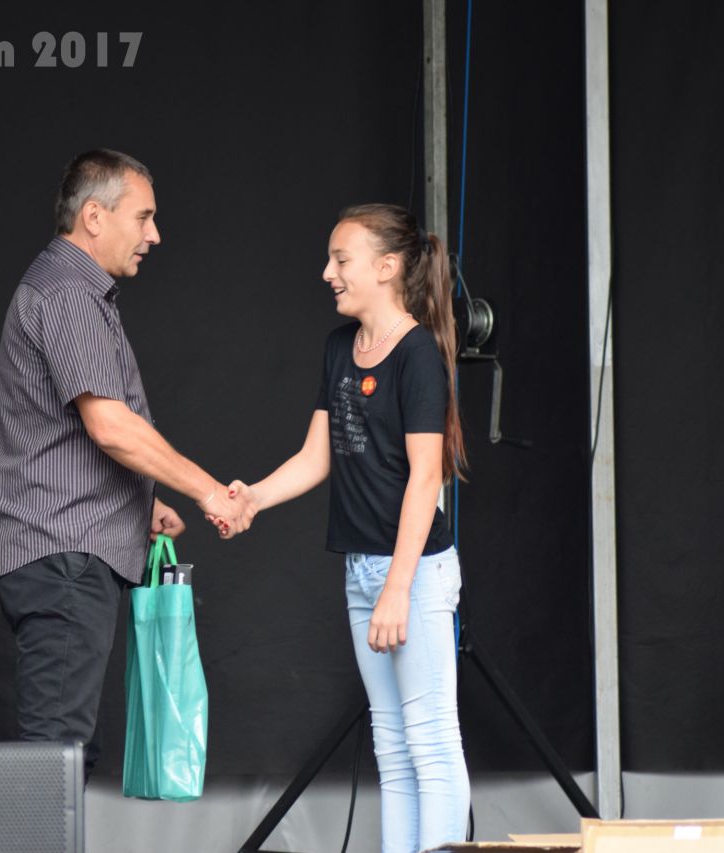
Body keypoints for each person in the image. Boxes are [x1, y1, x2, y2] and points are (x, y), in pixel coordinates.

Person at [0, 149, 252, 773]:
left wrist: (139, 503)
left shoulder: (73, 290)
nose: (154, 235)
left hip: (62, 552)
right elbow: (109, 425)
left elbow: (59, 431)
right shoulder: (68, 294)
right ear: (95, 216)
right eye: (144, 217)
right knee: (56, 759)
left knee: (66, 753)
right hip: (64, 557)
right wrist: (208, 491)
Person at [228, 204, 471, 852]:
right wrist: (253, 497)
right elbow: (317, 456)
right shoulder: (340, 347)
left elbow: (426, 478)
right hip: (363, 571)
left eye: (341, 259)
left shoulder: (418, 356)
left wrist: (398, 588)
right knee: (391, 742)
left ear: (387, 267)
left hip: (413, 574)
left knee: (430, 738)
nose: (327, 273)